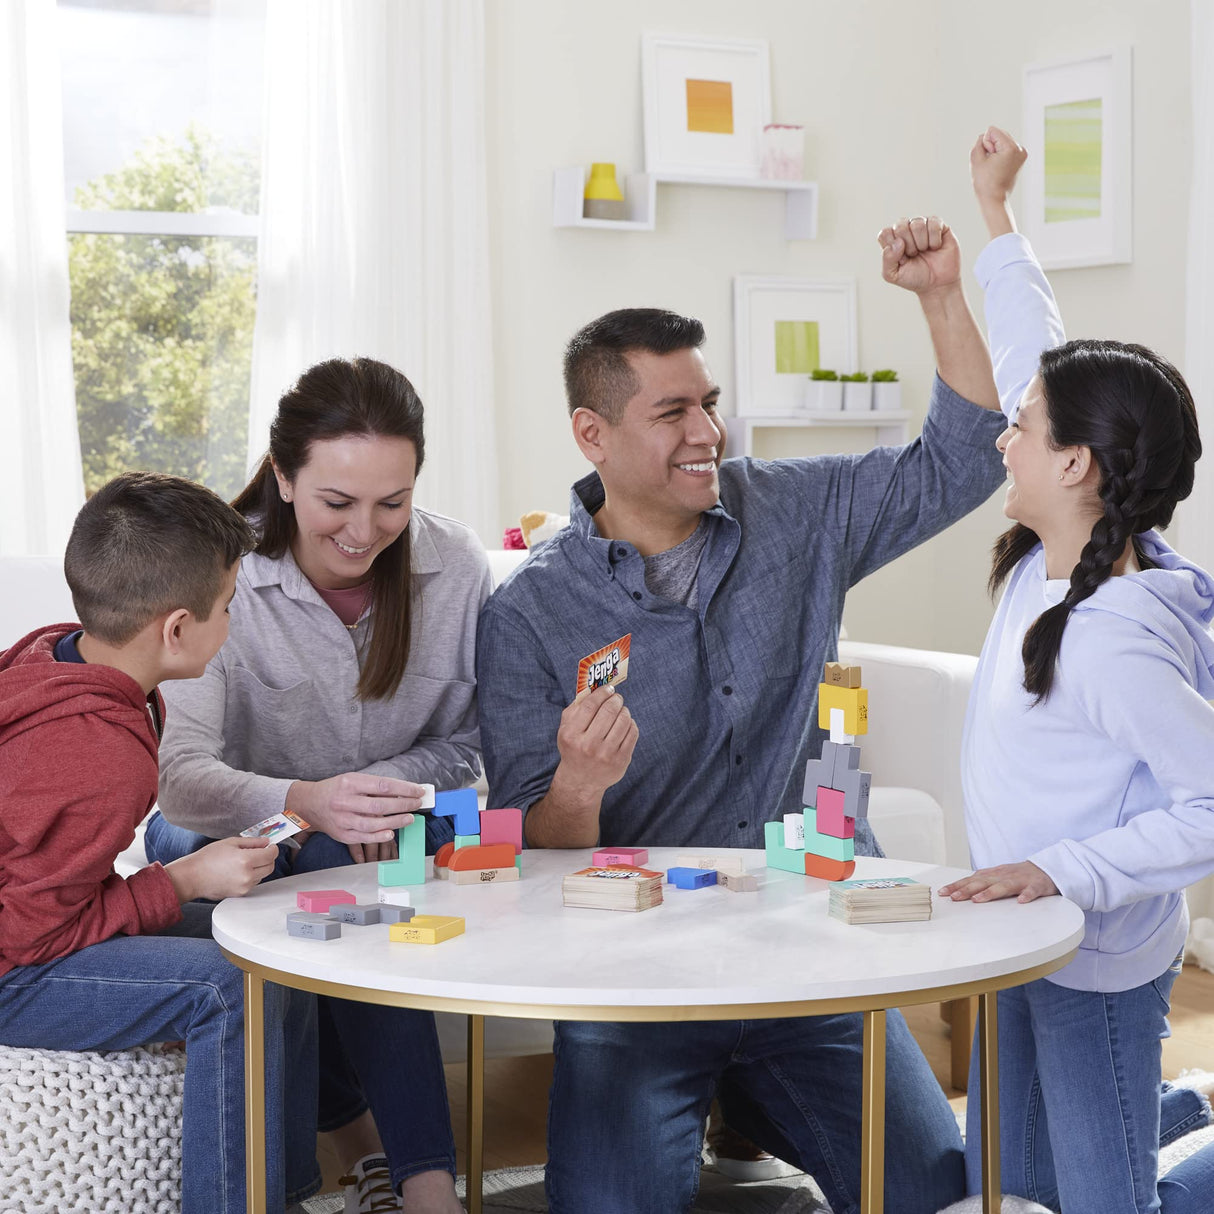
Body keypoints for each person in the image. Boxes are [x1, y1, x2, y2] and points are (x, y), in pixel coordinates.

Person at [475, 222, 1011, 1212]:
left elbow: (964, 462)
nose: (706, 432)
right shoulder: (525, 614)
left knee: (936, 1195)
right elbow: (523, 847)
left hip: (802, 948)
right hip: (635, 987)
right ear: (591, 433)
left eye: (708, 404)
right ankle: (731, 1102)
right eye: (670, 410)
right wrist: (577, 785)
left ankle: (757, 1106)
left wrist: (938, 295)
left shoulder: (790, 512)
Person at [937, 125, 1214, 1213]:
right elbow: (1031, 356)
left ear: (1074, 464)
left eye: (1021, 429)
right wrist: (993, 215)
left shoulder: (1108, 630)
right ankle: (1170, 1107)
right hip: (1016, 934)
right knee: (1006, 1186)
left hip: (1091, 953)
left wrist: (1062, 872)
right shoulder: (1053, 554)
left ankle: (1181, 1133)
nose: (1000, 436)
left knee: (1107, 1208)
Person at [147, 357, 490, 1214]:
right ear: (283, 477)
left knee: (365, 865)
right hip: (222, 828)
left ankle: (374, 1148)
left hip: (387, 821)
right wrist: (306, 798)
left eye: (392, 502)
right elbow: (178, 778)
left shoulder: (455, 568)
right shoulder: (217, 575)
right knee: (333, 864)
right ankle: (422, 1182)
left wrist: (376, 788)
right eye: (337, 503)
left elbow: (482, 739)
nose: (364, 530)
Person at [0, 472, 319, 1214]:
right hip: (12, 966)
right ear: (176, 628)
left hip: (28, 921)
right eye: (231, 607)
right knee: (230, 984)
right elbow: (32, 935)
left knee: (282, 948)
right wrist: (182, 880)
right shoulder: (97, 751)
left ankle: (280, 1190)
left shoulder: (56, 655)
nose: (233, 623)